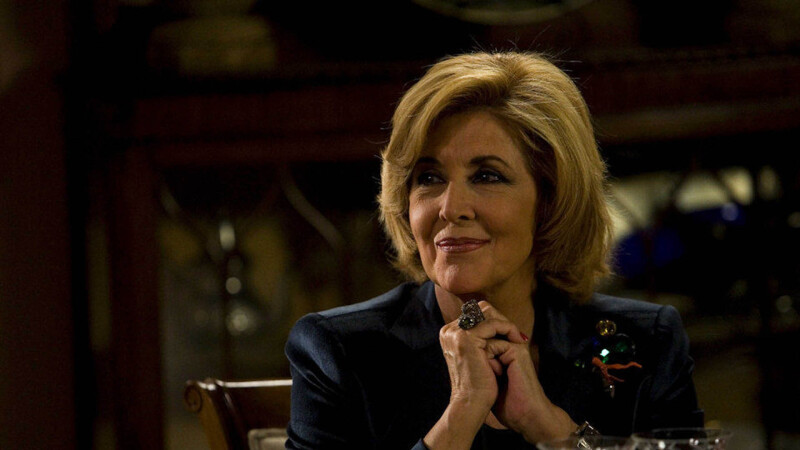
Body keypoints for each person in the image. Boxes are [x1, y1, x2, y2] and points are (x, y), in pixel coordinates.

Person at [284, 51, 703, 449]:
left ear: (550, 199)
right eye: (428, 178)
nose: (451, 208)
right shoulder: (341, 351)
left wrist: (546, 424)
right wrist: (461, 415)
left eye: (487, 176)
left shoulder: (644, 343)